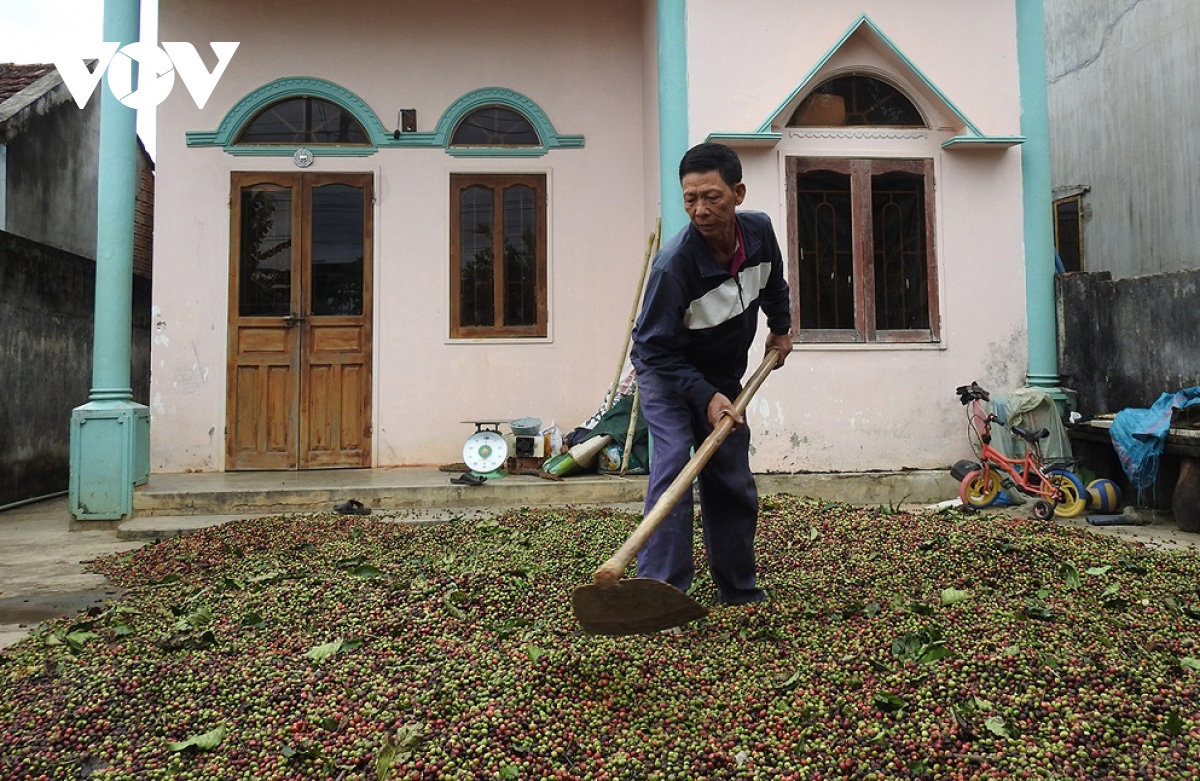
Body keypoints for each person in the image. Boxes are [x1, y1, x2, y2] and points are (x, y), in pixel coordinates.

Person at [630, 142, 792, 606]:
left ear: (738, 193)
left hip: (722, 373)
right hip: (665, 375)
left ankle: (738, 587)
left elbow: (774, 284)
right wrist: (703, 395)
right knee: (673, 469)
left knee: (730, 474)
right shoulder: (673, 266)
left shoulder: (759, 233)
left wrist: (780, 330)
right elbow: (652, 350)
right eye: (690, 199)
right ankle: (660, 589)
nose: (699, 210)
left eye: (711, 197)